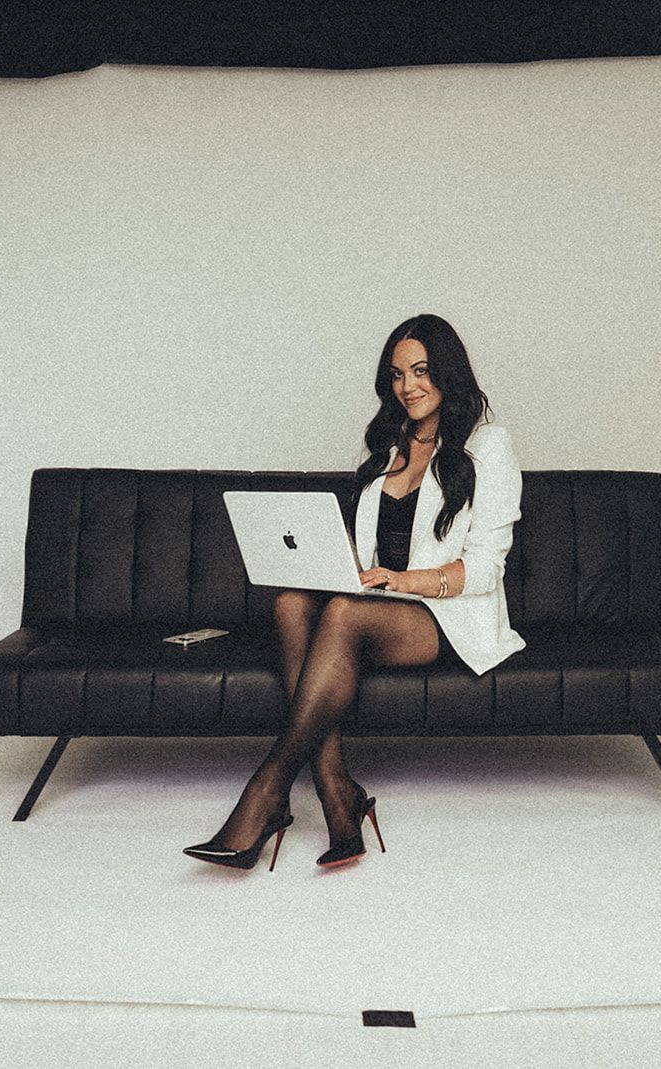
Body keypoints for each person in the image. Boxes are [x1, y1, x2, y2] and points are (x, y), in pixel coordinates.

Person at [183, 313, 525, 871]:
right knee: (291, 603)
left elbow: (485, 568)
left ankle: (268, 791)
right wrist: (333, 563)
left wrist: (403, 582)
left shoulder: (489, 446)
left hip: (447, 612)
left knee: (342, 614)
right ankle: (337, 791)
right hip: (380, 602)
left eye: (420, 371)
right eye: (396, 374)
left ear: (448, 372)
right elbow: (372, 552)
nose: (407, 386)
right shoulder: (390, 445)